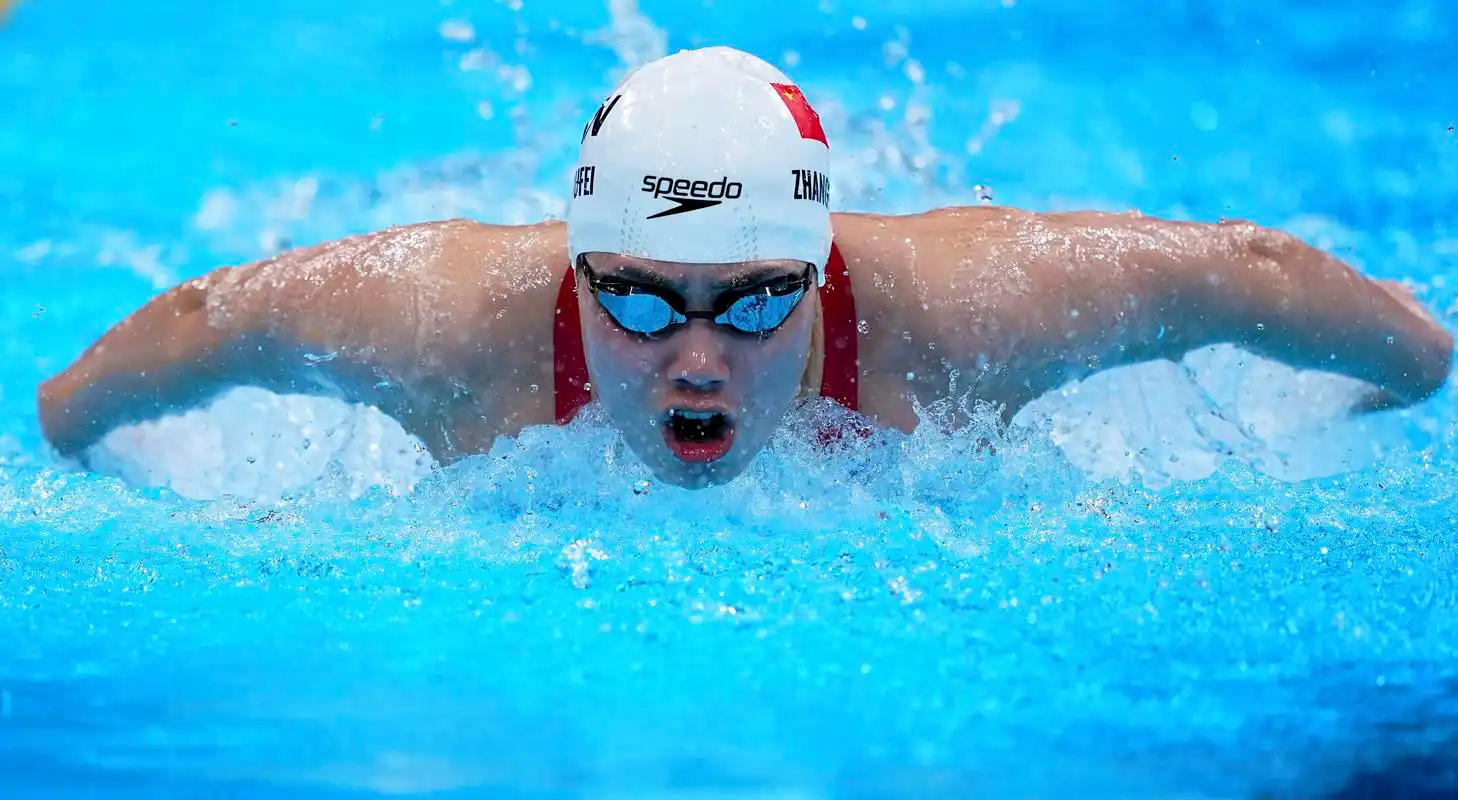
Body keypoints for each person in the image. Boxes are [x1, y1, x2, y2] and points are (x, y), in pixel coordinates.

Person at [36, 47, 1453, 489]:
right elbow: (212, 316)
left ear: (820, 269)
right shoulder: (435, 321)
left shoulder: (957, 313)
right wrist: (71, 430)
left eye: (760, 299)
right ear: (578, 272)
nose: (695, 354)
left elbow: (1228, 269)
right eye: (639, 299)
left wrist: (1414, 362)